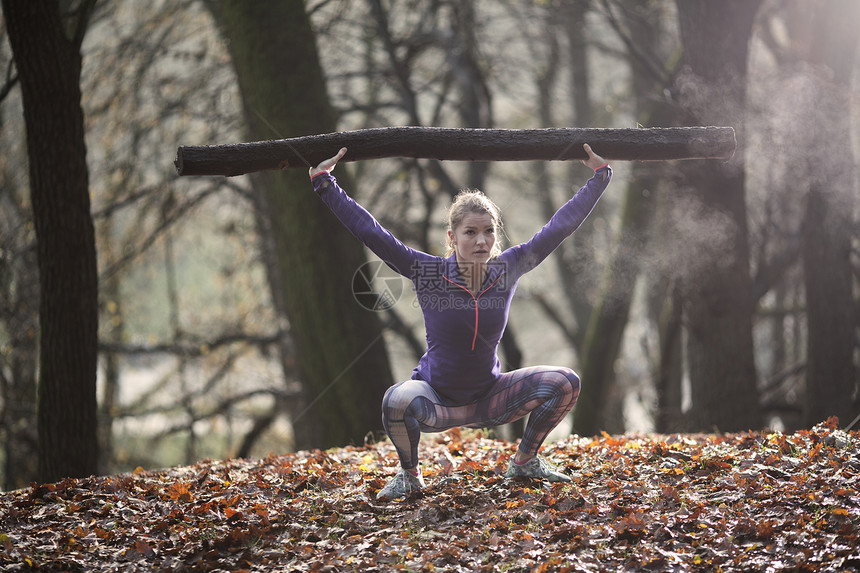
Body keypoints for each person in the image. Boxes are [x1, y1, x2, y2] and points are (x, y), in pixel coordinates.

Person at [309, 144, 611, 500]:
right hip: (435, 401)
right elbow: (372, 233)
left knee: (566, 382)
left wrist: (600, 176)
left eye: (488, 231)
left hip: (489, 397)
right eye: (470, 232)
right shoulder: (427, 271)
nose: (481, 240)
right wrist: (325, 183)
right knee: (395, 400)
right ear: (452, 237)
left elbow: (558, 228)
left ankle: (525, 461)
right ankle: (409, 474)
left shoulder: (507, 268)